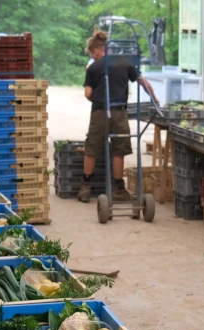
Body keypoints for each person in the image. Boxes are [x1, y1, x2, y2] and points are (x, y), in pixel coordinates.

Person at [79, 29, 158, 203]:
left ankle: (85, 187)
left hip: (99, 112)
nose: (94, 56)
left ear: (98, 50)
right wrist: (155, 99)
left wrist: (97, 100)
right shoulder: (124, 62)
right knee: (119, 151)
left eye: (94, 53)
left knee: (91, 149)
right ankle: (119, 188)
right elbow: (143, 81)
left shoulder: (93, 67)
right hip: (119, 113)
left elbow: (87, 93)